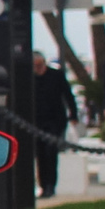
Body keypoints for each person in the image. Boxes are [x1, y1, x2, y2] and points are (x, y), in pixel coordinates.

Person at [26, 53, 78, 198]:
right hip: (36, 122)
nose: (38, 68)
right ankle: (43, 185)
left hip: (55, 121)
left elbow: (68, 95)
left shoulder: (56, 75)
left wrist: (73, 114)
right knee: (40, 155)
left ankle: (51, 185)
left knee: (51, 153)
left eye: (40, 64)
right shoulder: (30, 78)